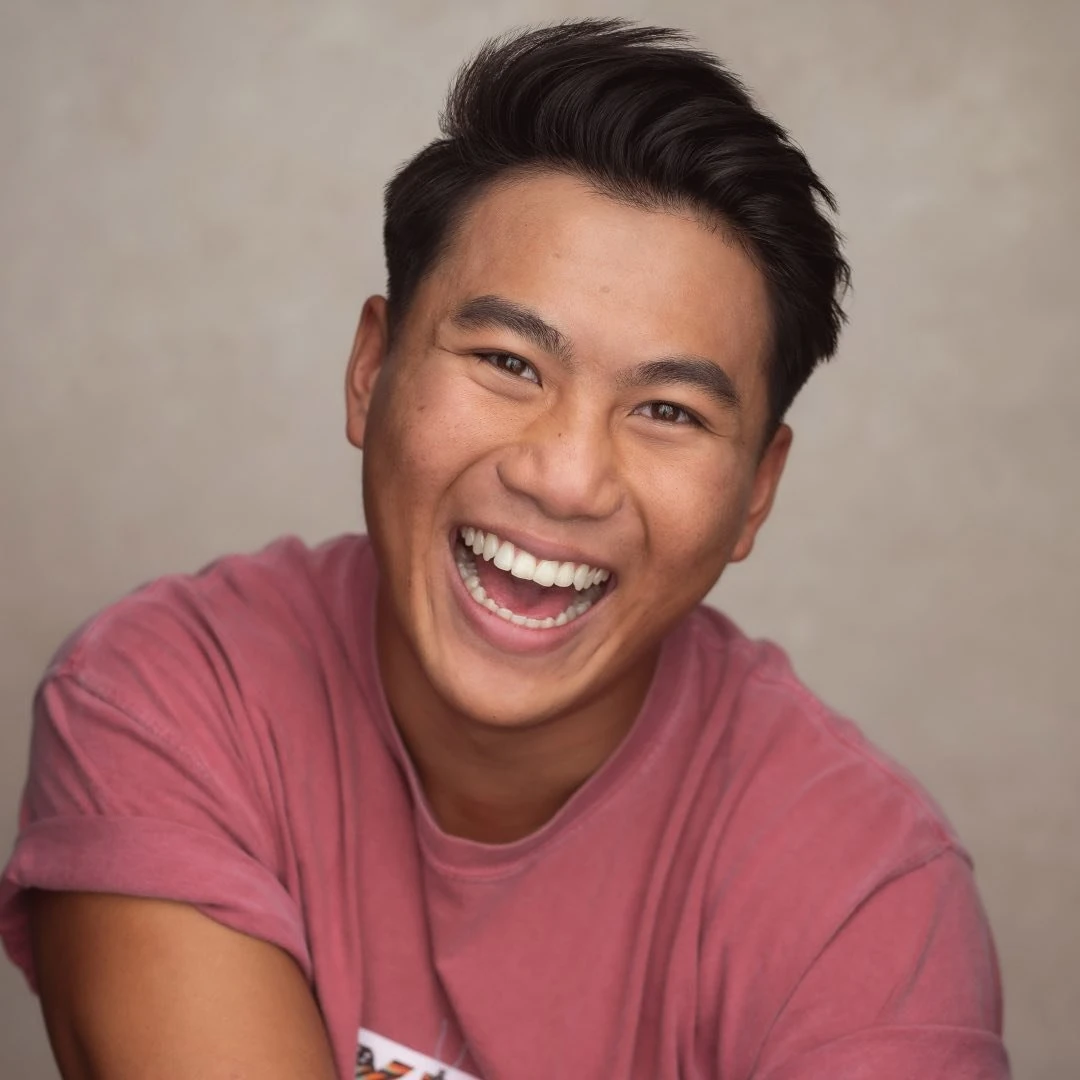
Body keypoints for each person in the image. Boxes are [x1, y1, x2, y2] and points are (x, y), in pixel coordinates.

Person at [0, 18, 1009, 1080]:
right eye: (509, 362)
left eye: (668, 411)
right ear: (371, 368)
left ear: (757, 491)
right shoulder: (170, 698)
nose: (565, 477)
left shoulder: (866, 900)